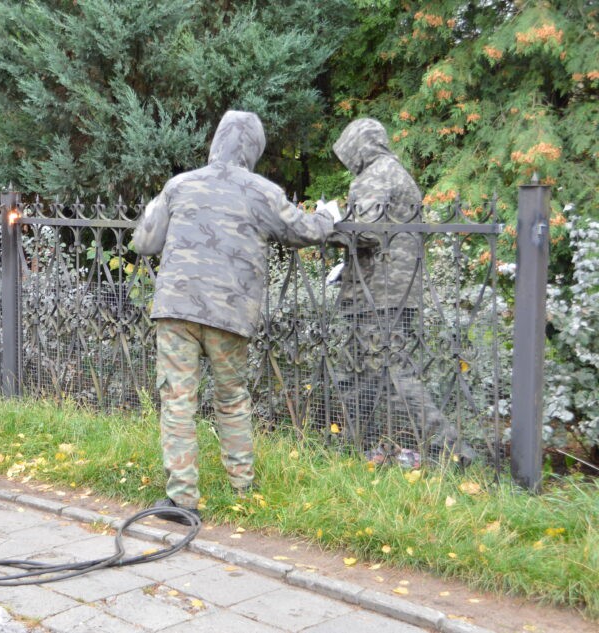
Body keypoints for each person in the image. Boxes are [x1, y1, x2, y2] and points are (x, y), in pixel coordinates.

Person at [133, 110, 339, 523]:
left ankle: (181, 500)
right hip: (230, 312)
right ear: (253, 149)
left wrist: (159, 204)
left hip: (177, 308)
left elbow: (144, 242)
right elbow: (303, 231)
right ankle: (244, 489)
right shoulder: (261, 191)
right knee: (231, 399)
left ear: (216, 141)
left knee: (177, 401)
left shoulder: (179, 184)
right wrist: (329, 217)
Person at [327, 117, 474, 464]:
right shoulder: (397, 172)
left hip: (377, 291)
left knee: (393, 375)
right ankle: (348, 445)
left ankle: (453, 451)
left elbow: (364, 232)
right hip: (393, 289)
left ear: (358, 145)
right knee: (359, 374)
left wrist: (327, 225)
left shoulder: (375, 175)